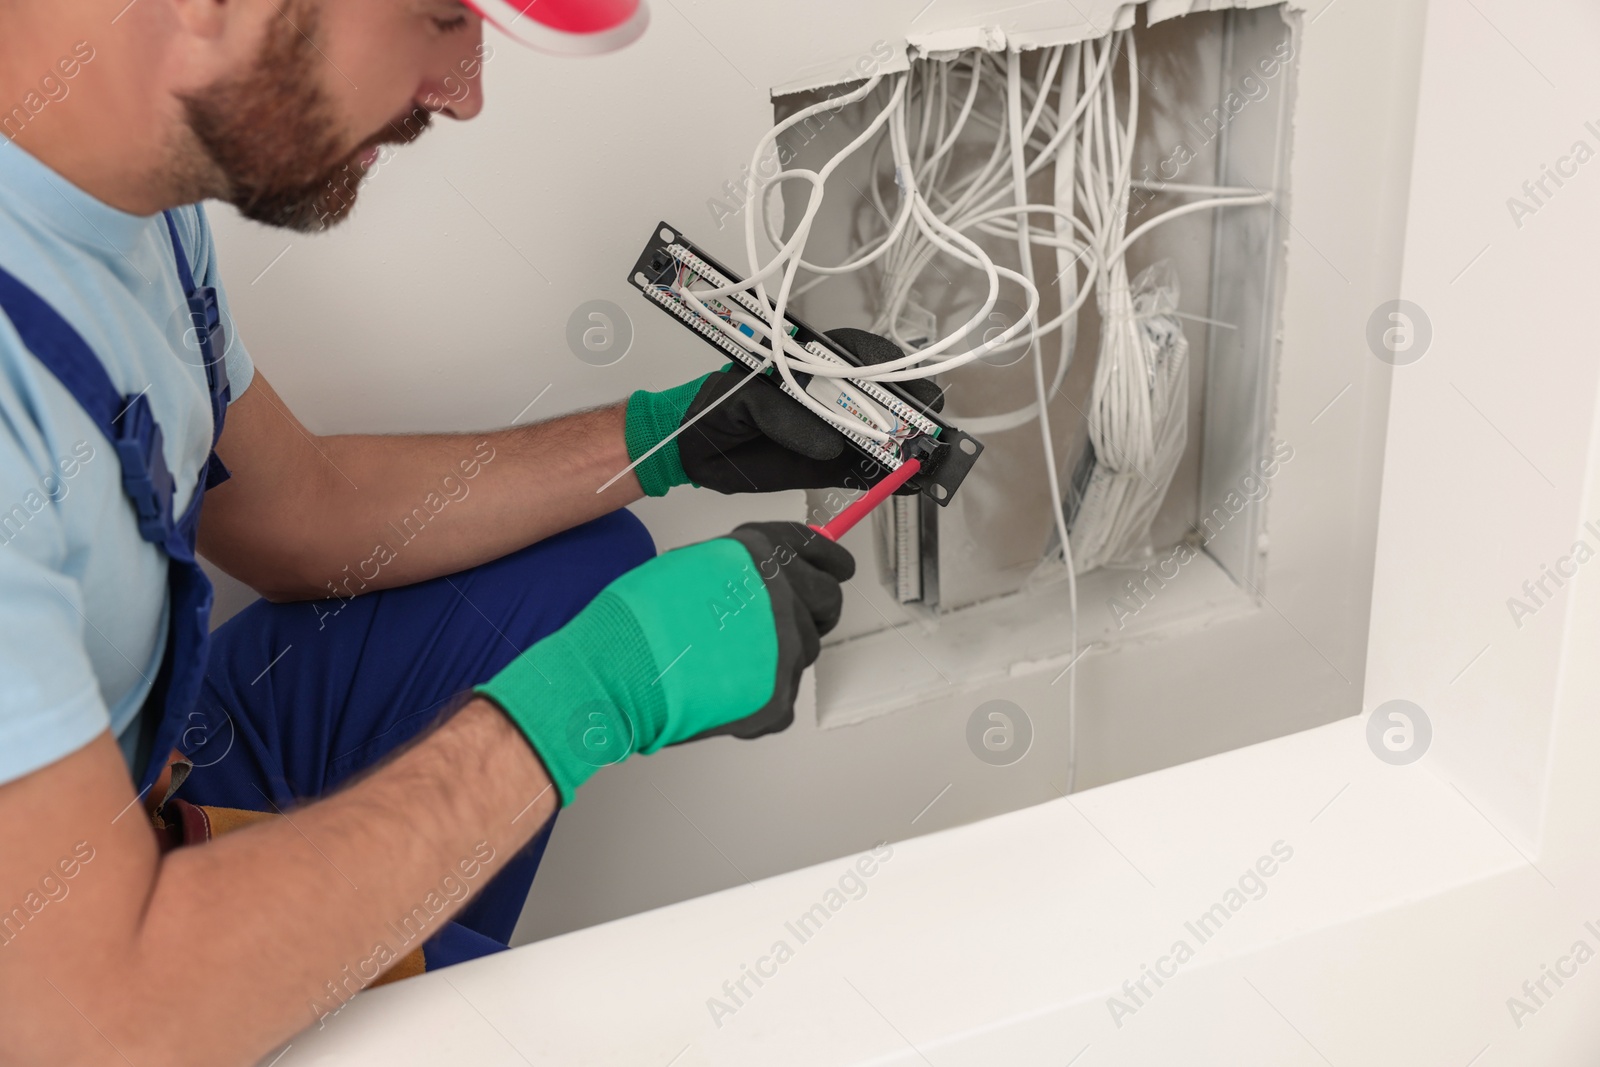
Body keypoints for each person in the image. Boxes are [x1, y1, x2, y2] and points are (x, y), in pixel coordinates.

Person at [0, 2, 938, 1062]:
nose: (463, 90)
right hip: (75, 983)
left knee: (570, 573)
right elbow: (85, 1022)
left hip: (149, 780)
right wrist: (590, 696)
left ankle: (416, 967)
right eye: (439, 14)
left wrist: (666, 438)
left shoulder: (124, 184)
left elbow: (301, 514)